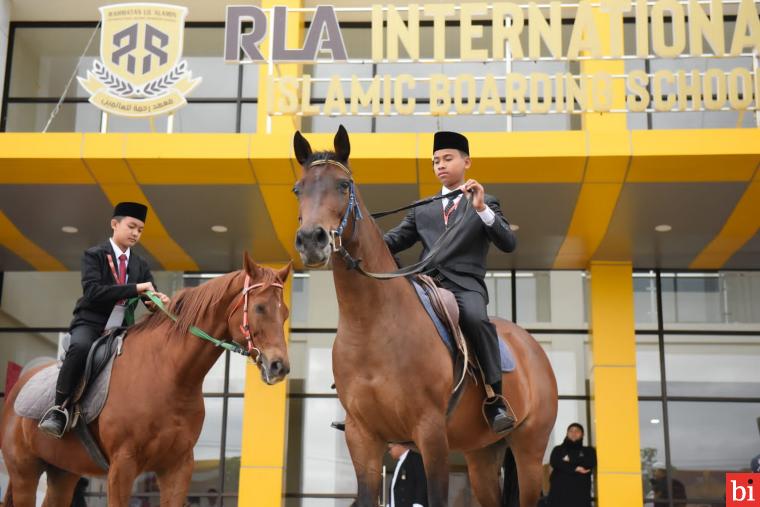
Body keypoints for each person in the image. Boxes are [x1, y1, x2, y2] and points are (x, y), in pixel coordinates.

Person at [383, 131, 517, 433]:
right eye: (435, 161)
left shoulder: (485, 202)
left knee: (476, 319)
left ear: (466, 162)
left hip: (464, 286)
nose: (440, 165)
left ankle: (494, 397)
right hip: (425, 284)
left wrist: (482, 209)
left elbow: (509, 242)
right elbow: (394, 240)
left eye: (447, 158)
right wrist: (360, 241)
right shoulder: (422, 207)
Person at [38, 202, 170, 438]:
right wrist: (136, 288)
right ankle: (59, 409)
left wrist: (155, 300)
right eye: (131, 227)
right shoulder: (94, 255)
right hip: (91, 322)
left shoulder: (140, 264)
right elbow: (93, 292)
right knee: (80, 347)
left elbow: (147, 294)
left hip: (125, 328)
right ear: (114, 224)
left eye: (140, 230)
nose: (135, 233)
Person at [546, 423, 596, 507]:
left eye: (577, 431)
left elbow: (590, 462)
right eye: (571, 431)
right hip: (559, 495)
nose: (574, 433)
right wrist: (576, 468)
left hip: (580, 495)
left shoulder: (589, 451)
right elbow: (555, 462)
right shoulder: (558, 449)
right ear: (567, 433)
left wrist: (568, 461)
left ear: (583, 434)